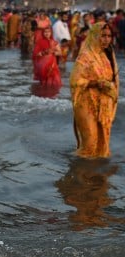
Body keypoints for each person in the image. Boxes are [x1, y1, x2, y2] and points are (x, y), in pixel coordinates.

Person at [69, 22, 119, 158]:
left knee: (100, 147)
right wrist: (95, 83)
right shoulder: (85, 57)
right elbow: (75, 81)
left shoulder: (107, 56)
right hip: (86, 104)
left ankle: (96, 176)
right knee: (90, 145)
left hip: (102, 105)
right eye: (103, 36)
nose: (107, 39)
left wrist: (112, 93)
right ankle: (78, 173)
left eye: (109, 36)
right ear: (95, 36)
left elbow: (114, 80)